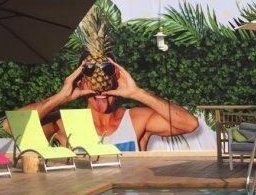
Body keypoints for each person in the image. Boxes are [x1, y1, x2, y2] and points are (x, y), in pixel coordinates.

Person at [18, 60, 200, 151]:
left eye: (106, 75)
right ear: (81, 83)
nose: (100, 86)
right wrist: (61, 97)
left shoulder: (136, 119)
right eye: (92, 76)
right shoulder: (65, 123)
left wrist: (137, 93)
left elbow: (190, 124)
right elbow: (12, 126)